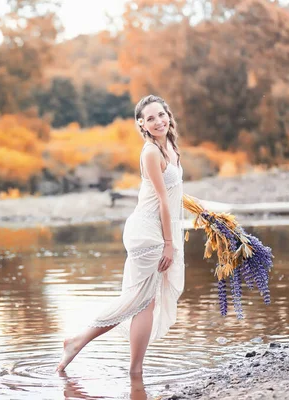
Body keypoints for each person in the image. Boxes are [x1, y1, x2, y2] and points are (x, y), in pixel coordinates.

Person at [56, 95, 186, 376]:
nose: (158, 121)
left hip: (155, 230)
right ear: (142, 124)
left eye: (161, 115)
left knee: (142, 301)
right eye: (150, 118)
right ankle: (90, 347)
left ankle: (130, 369)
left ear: (168, 115)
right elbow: (163, 201)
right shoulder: (151, 152)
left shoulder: (171, 147)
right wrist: (168, 244)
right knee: (139, 301)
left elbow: (175, 195)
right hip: (148, 233)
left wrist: (204, 213)